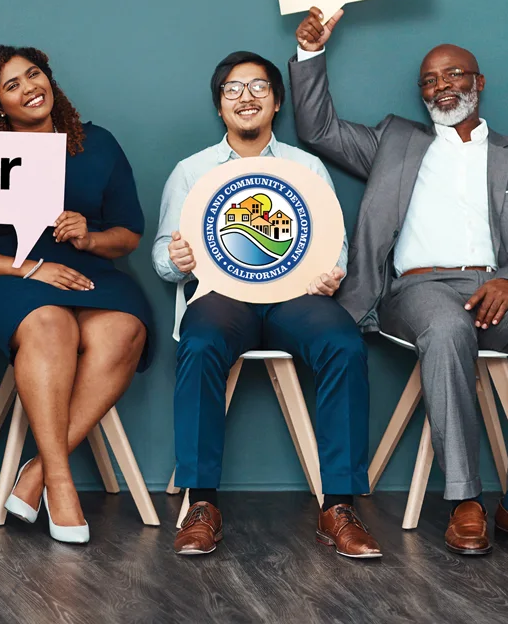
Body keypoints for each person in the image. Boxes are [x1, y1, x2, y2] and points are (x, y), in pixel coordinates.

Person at [290, 7, 508, 558]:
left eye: (453, 75)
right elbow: (317, 129)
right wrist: (310, 52)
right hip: (418, 291)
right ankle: (464, 502)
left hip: (501, 290)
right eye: (429, 80)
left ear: (479, 82)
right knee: (446, 330)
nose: (440, 86)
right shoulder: (393, 142)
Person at [153, 51, 379, 558]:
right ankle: (201, 503)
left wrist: (330, 273)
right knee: (201, 341)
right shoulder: (191, 172)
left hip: (294, 298)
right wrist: (177, 257)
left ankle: (338, 506)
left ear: (276, 102)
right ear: (219, 106)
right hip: (222, 298)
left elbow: (333, 244)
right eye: (233, 89)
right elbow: (162, 259)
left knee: (343, 344)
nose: (246, 97)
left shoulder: (306, 167)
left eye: (258, 87)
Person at [0, 45, 150, 544]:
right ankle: (61, 484)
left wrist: (90, 238)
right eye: (11, 85)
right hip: (3, 279)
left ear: (50, 79)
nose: (28, 88)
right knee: (50, 321)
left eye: (33, 75)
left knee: (125, 328)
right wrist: (31, 269)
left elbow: (130, 235)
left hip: (87, 271)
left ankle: (34, 472)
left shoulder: (97, 144)